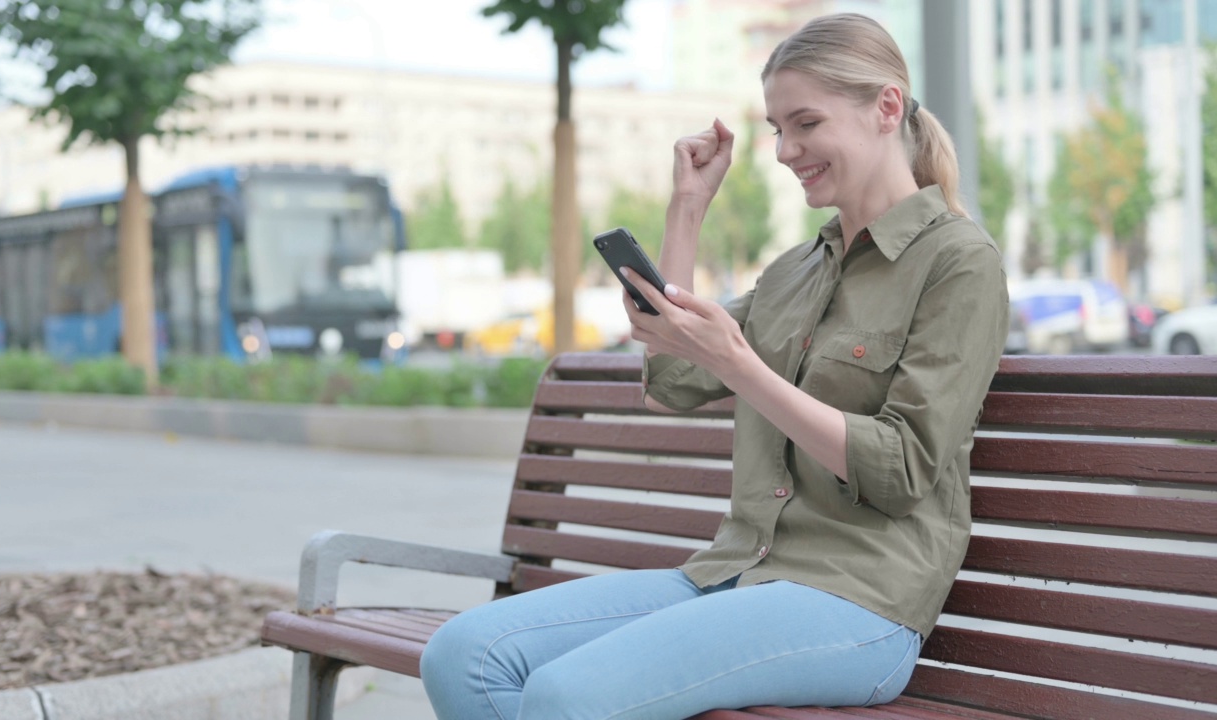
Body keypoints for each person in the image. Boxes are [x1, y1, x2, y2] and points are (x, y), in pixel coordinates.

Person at [420, 12, 1008, 719]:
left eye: (806, 124)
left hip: (861, 604)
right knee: (463, 655)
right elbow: (671, 382)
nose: (786, 150)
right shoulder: (798, 269)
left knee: (562, 697)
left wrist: (741, 365)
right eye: (776, 129)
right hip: (735, 571)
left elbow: (905, 469)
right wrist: (687, 209)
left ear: (886, 107)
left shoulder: (958, 262)